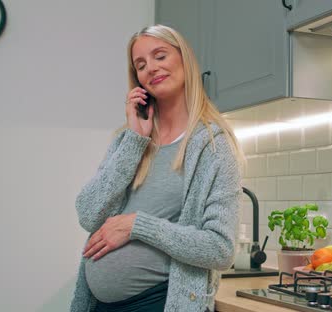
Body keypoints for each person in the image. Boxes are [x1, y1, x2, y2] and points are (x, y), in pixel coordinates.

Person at [70, 24, 244, 312]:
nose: (150, 68)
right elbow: (88, 214)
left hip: (159, 303)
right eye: (140, 64)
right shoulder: (128, 140)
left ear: (183, 59)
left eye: (160, 56)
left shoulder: (213, 146)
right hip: (98, 305)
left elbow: (220, 249)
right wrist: (135, 140)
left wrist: (138, 225)